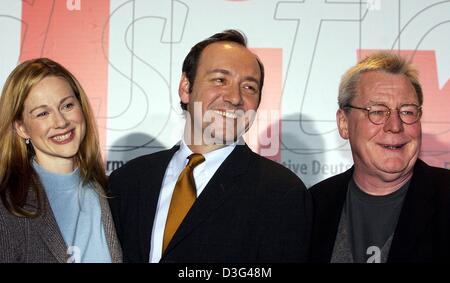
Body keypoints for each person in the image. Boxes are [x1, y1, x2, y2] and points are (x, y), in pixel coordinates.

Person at [108, 29, 312, 263]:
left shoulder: (282, 193)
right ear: (186, 88)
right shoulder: (127, 181)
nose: (235, 98)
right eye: (220, 80)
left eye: (249, 87)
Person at [309, 52, 450, 263]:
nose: (395, 125)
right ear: (344, 123)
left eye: (408, 112)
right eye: (376, 111)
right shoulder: (312, 206)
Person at [0, 58, 122, 263]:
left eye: (66, 105)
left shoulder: (110, 194)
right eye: (43, 113)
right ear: (21, 128)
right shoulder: (7, 206)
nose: (61, 122)